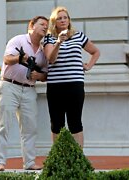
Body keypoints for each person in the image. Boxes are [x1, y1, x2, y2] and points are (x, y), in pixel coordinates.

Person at [0, 16, 49, 171]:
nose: (45, 27)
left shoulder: (44, 51)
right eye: (42, 24)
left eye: (47, 25)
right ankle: (0, 162)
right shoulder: (18, 40)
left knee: (30, 128)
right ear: (31, 26)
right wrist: (20, 58)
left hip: (30, 90)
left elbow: (46, 74)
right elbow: (6, 59)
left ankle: (30, 163)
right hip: (9, 86)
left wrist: (39, 76)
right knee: (3, 125)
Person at [43, 6, 100, 148]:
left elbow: (95, 52)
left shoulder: (78, 35)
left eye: (65, 17)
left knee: (75, 122)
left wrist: (88, 66)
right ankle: (59, 156)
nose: (63, 20)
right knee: (57, 123)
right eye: (59, 18)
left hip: (75, 85)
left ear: (69, 20)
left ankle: (78, 158)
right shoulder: (49, 38)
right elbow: (51, 59)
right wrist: (58, 42)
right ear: (54, 22)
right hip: (55, 86)